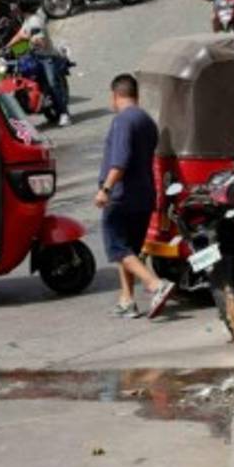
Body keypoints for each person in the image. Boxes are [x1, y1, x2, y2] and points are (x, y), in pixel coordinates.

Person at [96, 74, 175, 319]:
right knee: (129, 251)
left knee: (118, 248)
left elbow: (119, 161)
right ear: (136, 95)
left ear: (115, 95)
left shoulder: (122, 121)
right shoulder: (147, 121)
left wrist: (105, 190)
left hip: (121, 196)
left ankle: (155, 285)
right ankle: (127, 300)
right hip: (144, 196)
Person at [8, 0, 72, 127]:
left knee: (53, 83)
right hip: (34, 55)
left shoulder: (35, 21)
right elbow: (20, 34)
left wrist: (29, 38)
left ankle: (64, 114)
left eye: (20, 4)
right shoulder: (28, 19)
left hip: (46, 57)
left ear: (24, 6)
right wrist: (5, 47)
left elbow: (40, 42)